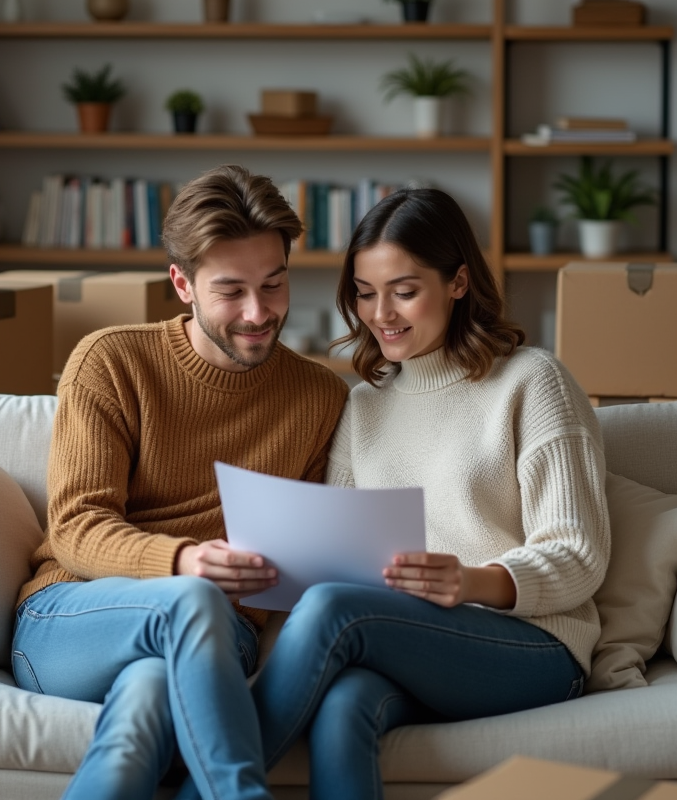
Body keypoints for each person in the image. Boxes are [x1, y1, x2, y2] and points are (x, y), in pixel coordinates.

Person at [251, 188, 611, 799]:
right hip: (404, 644)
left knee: (337, 609)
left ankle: (200, 781)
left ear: (459, 282)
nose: (380, 313)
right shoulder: (363, 406)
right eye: (365, 293)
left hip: (535, 648)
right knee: (343, 705)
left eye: (404, 290)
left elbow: (580, 554)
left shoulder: (533, 381)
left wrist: (471, 581)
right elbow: (336, 559)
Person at [10, 164, 349, 800]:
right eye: (232, 291)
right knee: (193, 598)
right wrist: (185, 561)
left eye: (274, 285)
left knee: (140, 714)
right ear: (182, 284)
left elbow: (301, 563)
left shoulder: (319, 396)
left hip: (220, 641)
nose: (258, 313)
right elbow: (76, 526)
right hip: (69, 619)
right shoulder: (110, 361)